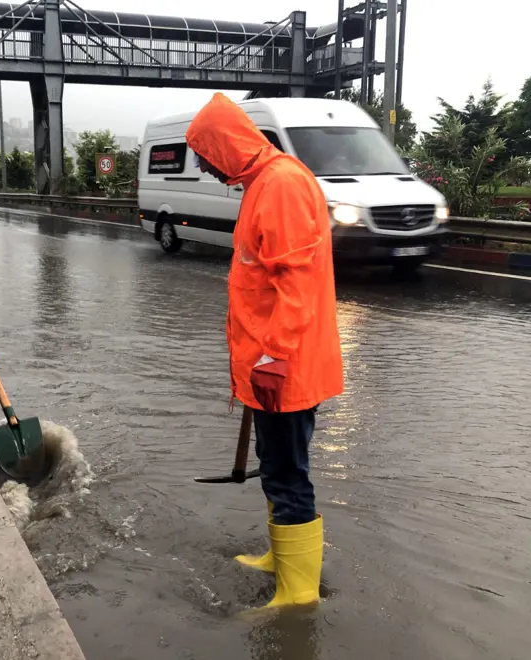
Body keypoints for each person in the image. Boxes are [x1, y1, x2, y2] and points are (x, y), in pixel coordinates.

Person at [185, 93, 344, 608]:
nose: (207, 169)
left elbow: (294, 280)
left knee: (287, 471)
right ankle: (282, 559)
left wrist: (274, 357)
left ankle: (298, 594)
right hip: (268, 363)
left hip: (285, 365)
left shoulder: (280, 185)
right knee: (274, 462)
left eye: (208, 157)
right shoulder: (262, 184)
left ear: (227, 145)